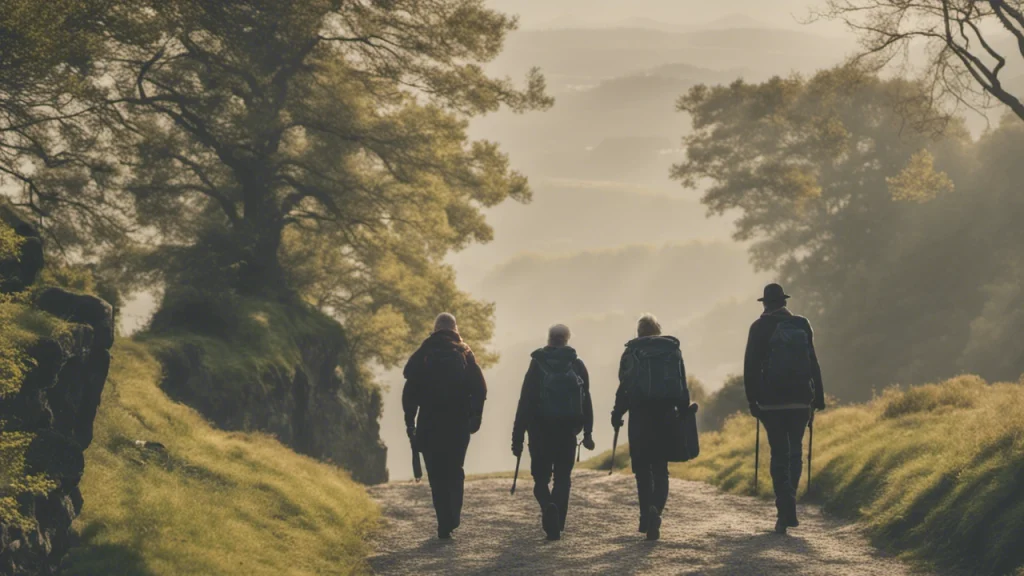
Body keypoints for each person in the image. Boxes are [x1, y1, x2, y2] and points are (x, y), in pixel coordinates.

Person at [743, 283, 826, 535]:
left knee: (778, 453)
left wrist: (752, 401)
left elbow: (750, 367)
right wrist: (818, 398)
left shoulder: (758, 327)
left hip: (772, 402)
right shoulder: (802, 324)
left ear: (765, 303)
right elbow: (813, 361)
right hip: (801, 399)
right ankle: (790, 497)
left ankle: (785, 504)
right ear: (785, 302)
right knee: (795, 452)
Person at [403, 313, 487, 540]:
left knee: (436, 474)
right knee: (455, 469)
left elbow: (409, 382)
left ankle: (444, 522)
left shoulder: (425, 351)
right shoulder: (464, 352)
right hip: (457, 423)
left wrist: (410, 421)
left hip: (429, 423)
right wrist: (475, 415)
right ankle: (453, 516)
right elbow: (480, 388)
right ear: (455, 328)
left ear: (435, 328)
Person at [511, 324, 595, 541]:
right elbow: (586, 400)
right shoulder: (576, 364)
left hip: (539, 432)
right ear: (566, 340)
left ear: (549, 339)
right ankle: (556, 521)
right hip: (567, 431)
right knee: (563, 478)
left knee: (540, 480)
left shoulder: (537, 363)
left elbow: (525, 401)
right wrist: (588, 432)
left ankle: (548, 506)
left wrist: (517, 437)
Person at [611, 314, 690, 541]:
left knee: (642, 470)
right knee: (660, 469)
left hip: (640, 417)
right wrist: (683, 410)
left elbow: (624, 386)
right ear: (658, 330)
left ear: (639, 332)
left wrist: (617, 414)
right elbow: (681, 382)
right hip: (665, 415)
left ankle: (646, 515)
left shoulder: (632, 351)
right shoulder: (672, 350)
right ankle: (657, 509)